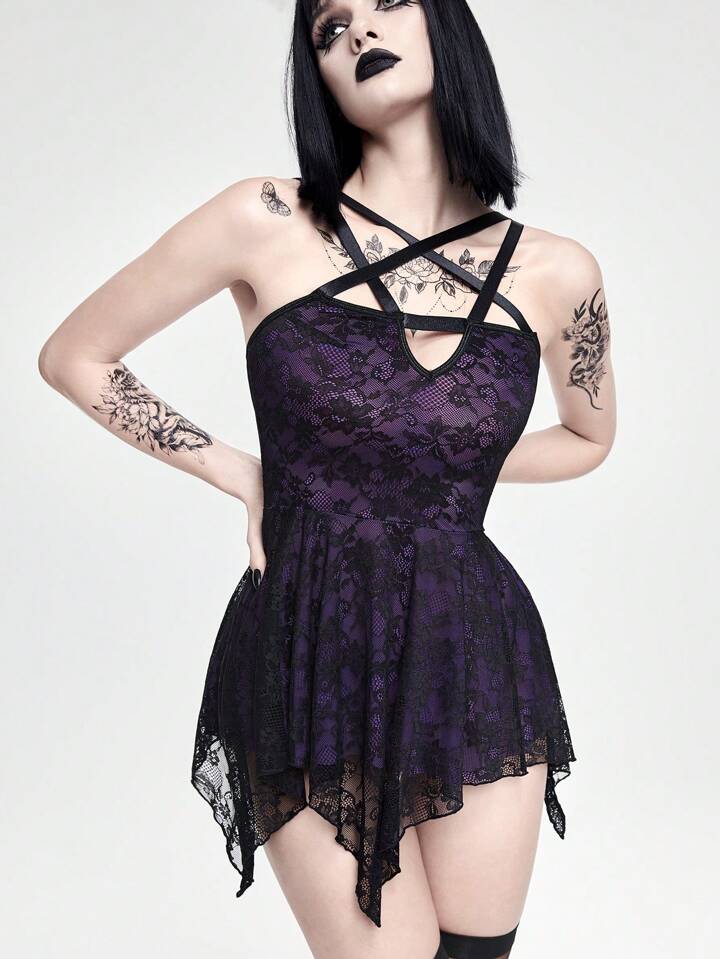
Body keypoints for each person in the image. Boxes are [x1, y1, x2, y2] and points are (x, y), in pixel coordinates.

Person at [38, 1, 616, 956]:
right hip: (308, 640)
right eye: (328, 27)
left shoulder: (558, 271)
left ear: (447, 25)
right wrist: (241, 470)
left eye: (387, 1)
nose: (359, 32)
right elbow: (76, 357)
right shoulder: (265, 218)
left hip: (472, 645)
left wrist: (430, 461)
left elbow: (589, 436)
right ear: (317, 73)